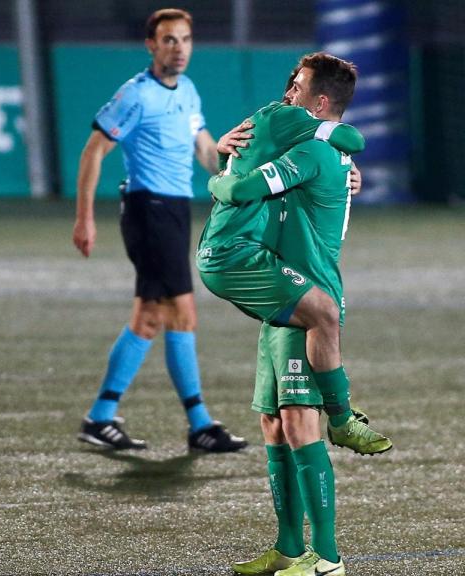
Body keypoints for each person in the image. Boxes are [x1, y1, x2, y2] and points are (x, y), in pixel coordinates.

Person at [200, 53, 378, 576]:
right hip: (282, 289)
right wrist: (221, 152)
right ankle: (288, 547)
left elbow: (244, 184)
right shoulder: (312, 144)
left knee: (301, 422)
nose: (287, 91)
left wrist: (221, 175)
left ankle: (326, 559)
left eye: (297, 85)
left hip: (307, 291)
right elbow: (335, 145)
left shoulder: (317, 148)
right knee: (273, 423)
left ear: (319, 102)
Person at [71, 8, 246, 452]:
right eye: (169, 40)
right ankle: (200, 425)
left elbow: (204, 150)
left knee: (150, 318)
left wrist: (233, 168)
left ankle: (102, 416)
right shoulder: (136, 95)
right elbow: (93, 151)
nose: (179, 48)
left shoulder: (187, 90)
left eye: (185, 39)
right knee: (181, 313)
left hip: (173, 211)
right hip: (148, 210)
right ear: (151, 46)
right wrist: (84, 216)